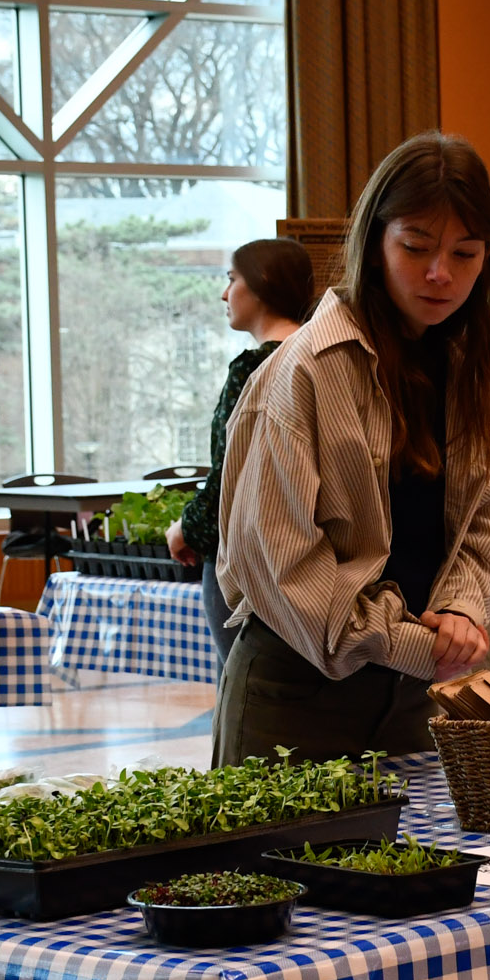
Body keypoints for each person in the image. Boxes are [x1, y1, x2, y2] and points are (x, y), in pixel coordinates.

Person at [213, 131, 490, 764]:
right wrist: (411, 640)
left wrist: (460, 608)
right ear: (375, 242)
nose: (441, 274)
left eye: (465, 254)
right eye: (416, 247)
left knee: (411, 862)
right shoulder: (307, 368)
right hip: (297, 687)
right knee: (286, 865)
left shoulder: (463, 363)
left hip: (409, 692)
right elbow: (278, 558)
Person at [166, 237, 315, 665]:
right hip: (309, 561)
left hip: (248, 564)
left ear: (262, 281)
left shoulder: (254, 368)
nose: (223, 293)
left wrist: (186, 529)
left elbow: (232, 477)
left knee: (243, 694)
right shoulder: (323, 362)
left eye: (231, 279)